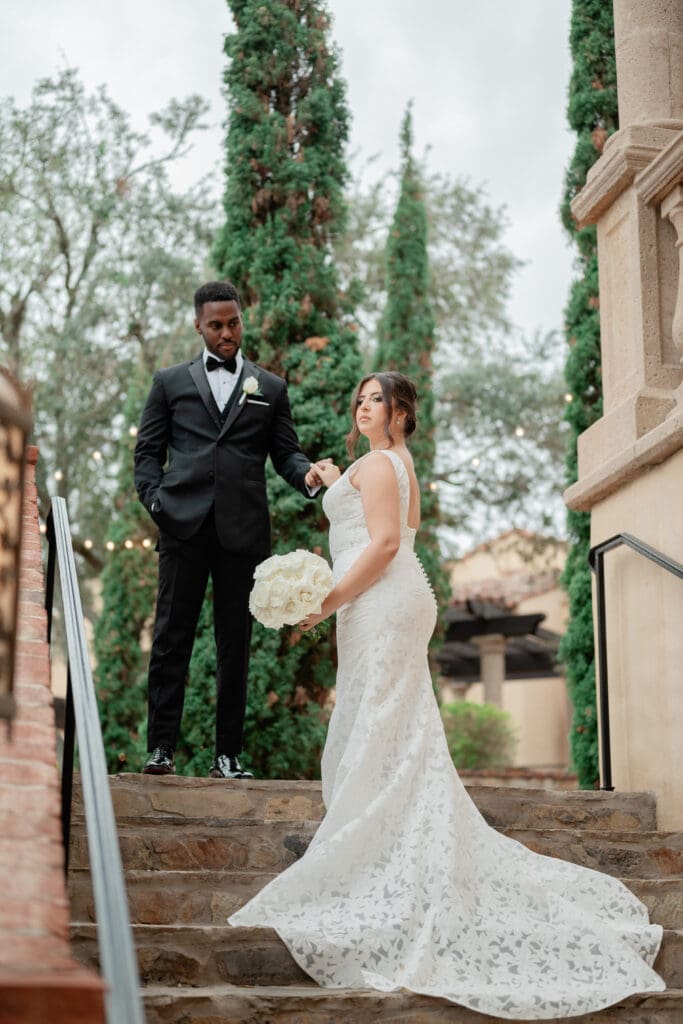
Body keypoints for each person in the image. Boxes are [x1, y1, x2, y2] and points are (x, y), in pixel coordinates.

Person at [228, 371, 665, 1018]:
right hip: (390, 599)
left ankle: (372, 856)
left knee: (379, 723)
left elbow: (382, 543)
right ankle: (380, 844)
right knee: (389, 725)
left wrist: (328, 600)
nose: (363, 406)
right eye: (359, 398)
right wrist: (335, 479)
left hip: (379, 600)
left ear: (400, 412)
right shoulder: (392, 464)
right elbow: (390, 527)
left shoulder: (382, 463)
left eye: (376, 399)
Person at [134, 280, 324, 779]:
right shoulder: (169, 383)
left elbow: (286, 453)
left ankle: (228, 756)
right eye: (216, 325)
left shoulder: (270, 388)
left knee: (234, 644)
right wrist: (156, 501)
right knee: (171, 639)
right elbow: (147, 454)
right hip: (183, 526)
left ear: (242, 320)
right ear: (198, 325)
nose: (227, 333)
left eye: (233, 323)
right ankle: (161, 749)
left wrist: (307, 475)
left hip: (243, 533)